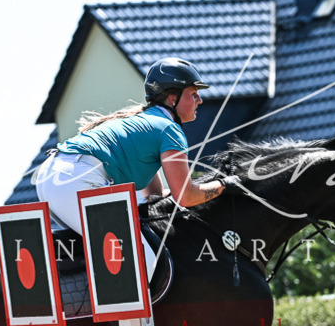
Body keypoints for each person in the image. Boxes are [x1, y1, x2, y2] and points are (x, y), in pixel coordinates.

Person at [34, 57, 240, 279]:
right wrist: (224, 185)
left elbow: (154, 196)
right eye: (193, 93)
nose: (200, 100)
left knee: (109, 257)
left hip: (53, 178)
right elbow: (186, 197)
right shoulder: (169, 130)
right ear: (172, 98)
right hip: (74, 181)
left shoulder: (147, 123)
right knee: (142, 261)